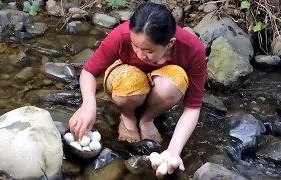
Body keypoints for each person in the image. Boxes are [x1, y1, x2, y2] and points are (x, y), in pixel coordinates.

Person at [69, 2, 206, 178]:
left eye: (148, 50)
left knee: (174, 82)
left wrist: (173, 150)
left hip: (161, 85)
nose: (140, 54)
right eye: (135, 45)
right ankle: (128, 117)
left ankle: (147, 119)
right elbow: (89, 72)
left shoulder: (192, 49)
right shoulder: (121, 35)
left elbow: (193, 106)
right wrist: (88, 105)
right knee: (129, 81)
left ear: (170, 44)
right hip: (126, 80)